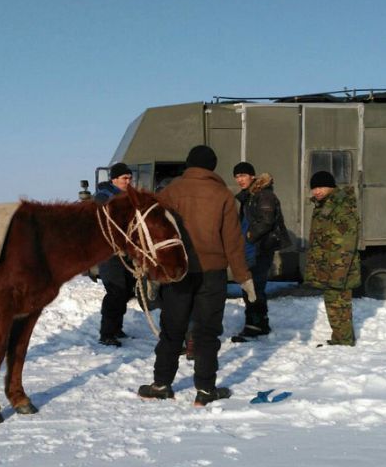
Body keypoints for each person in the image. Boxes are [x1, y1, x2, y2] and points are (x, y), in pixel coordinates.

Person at [138, 145, 256, 406]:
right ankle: (205, 390)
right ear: (212, 167)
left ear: (189, 164)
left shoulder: (170, 191)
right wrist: (243, 276)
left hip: (176, 273)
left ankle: (161, 385)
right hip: (212, 273)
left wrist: (153, 272)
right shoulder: (223, 195)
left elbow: (155, 234)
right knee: (207, 332)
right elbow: (233, 242)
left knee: (172, 330)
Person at [230, 162, 289, 341]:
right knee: (253, 287)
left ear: (252, 176)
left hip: (260, 248)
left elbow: (266, 220)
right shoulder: (250, 195)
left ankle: (254, 326)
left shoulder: (263, 195)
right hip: (253, 247)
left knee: (253, 287)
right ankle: (260, 324)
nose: (239, 180)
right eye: (237, 176)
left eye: (243, 175)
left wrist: (249, 235)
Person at [304, 171, 361, 346]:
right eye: (314, 188)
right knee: (334, 303)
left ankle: (344, 341)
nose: (317, 191)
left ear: (331, 187)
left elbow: (346, 243)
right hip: (330, 266)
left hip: (339, 268)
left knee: (339, 304)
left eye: (321, 187)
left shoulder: (341, 207)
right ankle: (341, 337)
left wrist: (338, 273)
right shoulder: (324, 205)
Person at [94, 162, 136, 347]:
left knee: (126, 290)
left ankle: (117, 327)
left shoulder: (130, 196)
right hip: (109, 253)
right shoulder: (104, 197)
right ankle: (107, 333)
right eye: (124, 178)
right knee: (115, 291)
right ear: (114, 179)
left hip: (126, 252)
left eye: (130, 178)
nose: (128, 181)